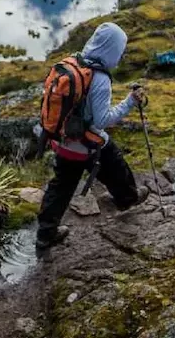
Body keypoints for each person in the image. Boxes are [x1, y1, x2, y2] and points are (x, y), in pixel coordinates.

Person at [35, 22, 147, 250]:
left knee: (60, 188)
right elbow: (102, 121)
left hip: (63, 140)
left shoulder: (73, 62)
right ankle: (127, 199)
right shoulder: (101, 79)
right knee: (114, 163)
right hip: (86, 144)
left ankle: (45, 234)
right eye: (120, 49)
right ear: (111, 49)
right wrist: (130, 102)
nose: (122, 54)